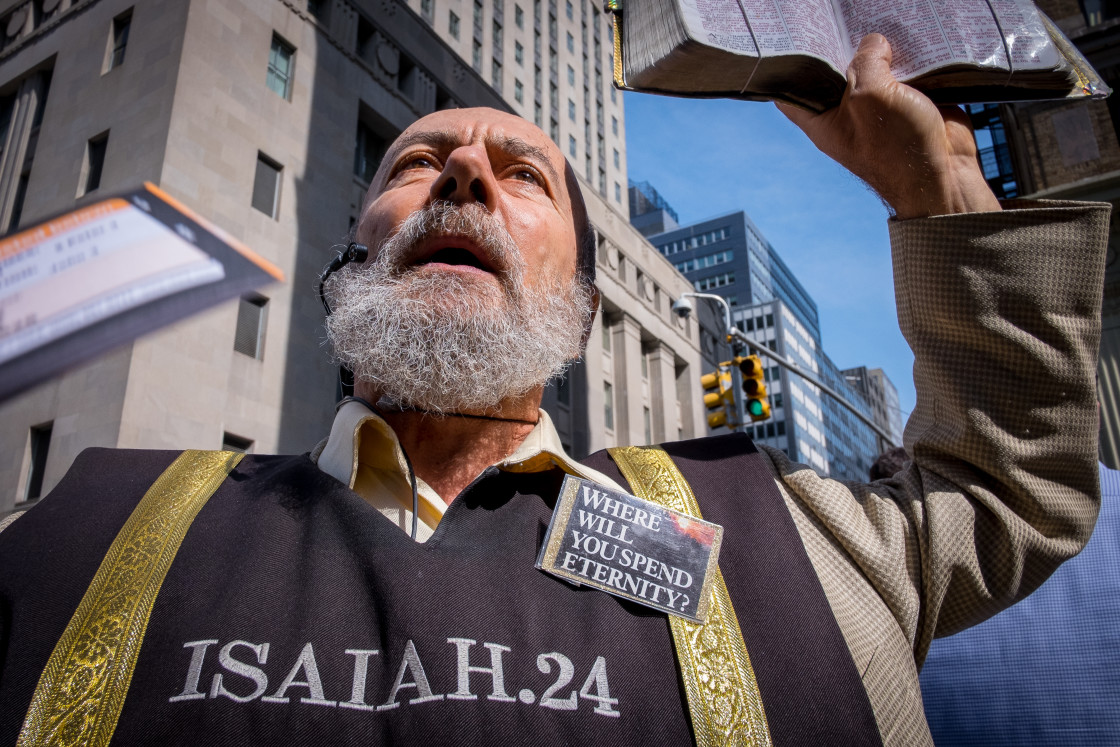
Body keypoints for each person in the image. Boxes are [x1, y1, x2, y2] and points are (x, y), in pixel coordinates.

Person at [0, 35, 1108, 746]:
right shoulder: (87, 533)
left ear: (579, 304)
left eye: (522, 176)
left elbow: (1003, 494)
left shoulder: (770, 540)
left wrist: (944, 194)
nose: (467, 174)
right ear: (349, 264)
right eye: (415, 162)